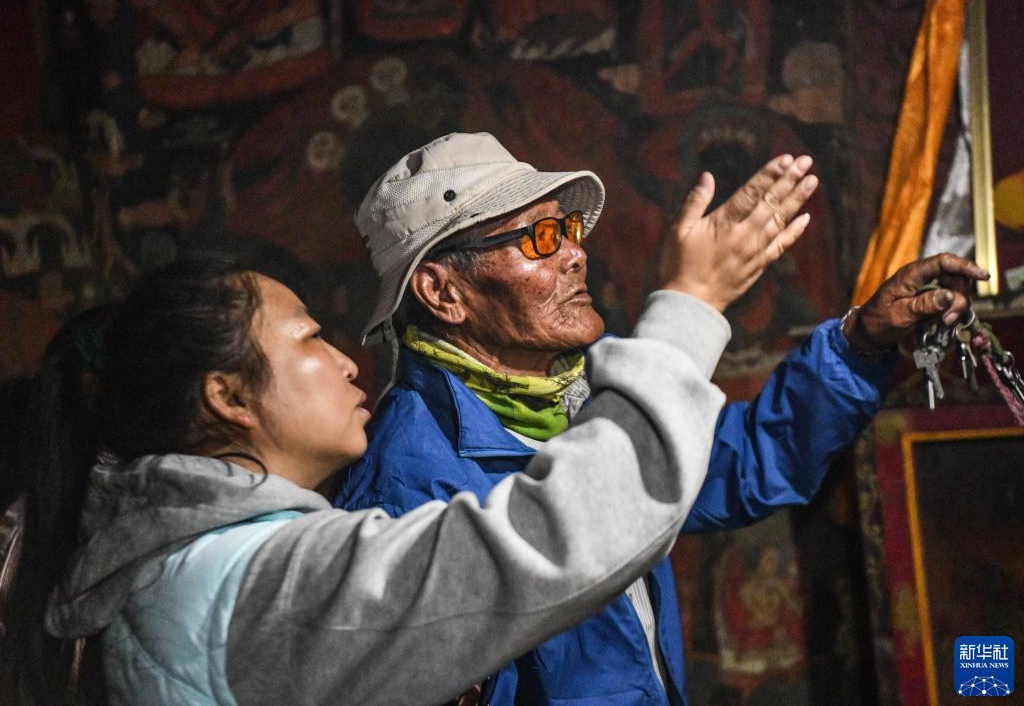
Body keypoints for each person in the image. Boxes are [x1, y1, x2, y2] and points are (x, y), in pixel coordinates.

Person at [2, 213, 784, 706]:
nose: (347, 361)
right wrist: (690, 308)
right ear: (229, 397)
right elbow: (555, 541)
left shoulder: (188, 567)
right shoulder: (261, 579)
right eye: (310, 338)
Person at [336, 132, 989, 705]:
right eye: (540, 239)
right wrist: (693, 299)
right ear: (443, 292)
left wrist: (860, 343)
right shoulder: (406, 489)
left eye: (568, 230)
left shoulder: (575, 398)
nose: (575, 254)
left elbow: (745, 462)